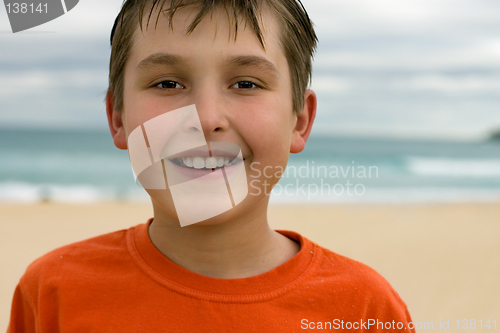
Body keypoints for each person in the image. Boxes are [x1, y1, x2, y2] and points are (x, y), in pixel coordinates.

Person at [7, 0, 415, 331]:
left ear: (299, 121)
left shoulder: (364, 309)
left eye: (246, 84)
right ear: (117, 118)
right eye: (168, 83)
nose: (205, 118)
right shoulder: (52, 291)